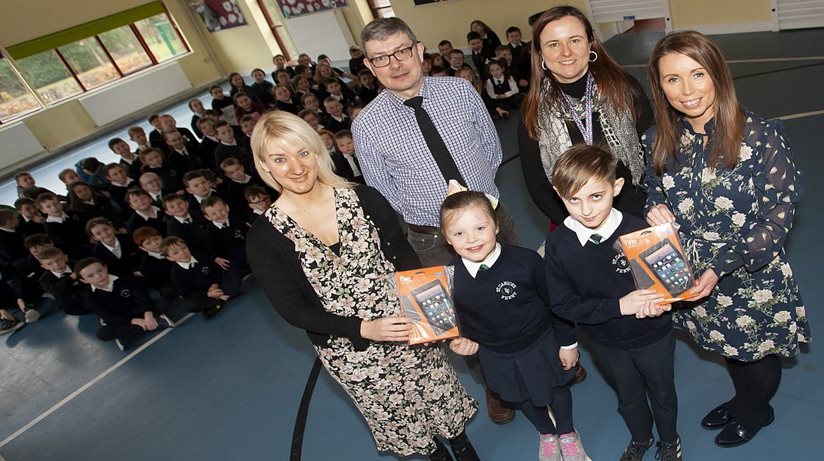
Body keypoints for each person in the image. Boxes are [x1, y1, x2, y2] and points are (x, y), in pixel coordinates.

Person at [246, 111, 478, 460]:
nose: (296, 168)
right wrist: (364, 328)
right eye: (280, 159)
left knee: (439, 394)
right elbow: (293, 309)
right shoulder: (265, 237)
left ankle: (461, 446)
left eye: (303, 153)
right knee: (404, 419)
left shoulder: (363, 198)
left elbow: (404, 258)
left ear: (318, 151)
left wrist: (441, 325)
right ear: (265, 165)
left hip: (407, 324)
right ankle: (436, 456)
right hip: (352, 352)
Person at [644, 30, 809, 448]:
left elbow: (780, 213)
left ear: (717, 73)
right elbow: (651, 186)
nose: (687, 90)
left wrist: (723, 265)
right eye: (672, 79)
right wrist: (652, 206)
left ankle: (758, 409)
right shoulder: (661, 138)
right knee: (728, 345)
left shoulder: (759, 136)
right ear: (659, 86)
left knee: (756, 349)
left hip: (750, 272)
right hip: (695, 271)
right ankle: (742, 399)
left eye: (697, 74)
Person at [353, 17, 521, 423]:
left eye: (401, 51)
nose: (394, 64)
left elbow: (491, 147)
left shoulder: (461, 91)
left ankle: (546, 356)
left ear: (418, 49)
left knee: (523, 294)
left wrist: (480, 204)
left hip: (494, 219)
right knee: (466, 319)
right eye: (380, 58)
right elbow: (382, 192)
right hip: (433, 240)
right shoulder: (367, 125)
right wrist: (434, 216)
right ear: (370, 67)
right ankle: (496, 386)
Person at [545, 145, 681, 461]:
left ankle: (669, 441)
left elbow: (670, 286)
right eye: (573, 199)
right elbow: (562, 305)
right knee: (628, 396)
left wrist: (662, 302)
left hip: (653, 335)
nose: (586, 209)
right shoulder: (558, 245)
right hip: (606, 341)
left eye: (596, 196)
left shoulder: (639, 230)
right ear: (558, 194)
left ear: (616, 187)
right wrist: (619, 306)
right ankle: (641, 438)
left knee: (663, 393)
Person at [442, 191, 587, 461]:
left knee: (557, 389)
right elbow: (457, 321)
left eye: (480, 228)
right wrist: (461, 340)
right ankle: (546, 432)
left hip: (541, 343)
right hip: (496, 355)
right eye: (459, 233)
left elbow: (555, 303)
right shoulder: (448, 279)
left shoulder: (526, 262)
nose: (471, 239)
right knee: (520, 397)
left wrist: (568, 343)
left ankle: (567, 433)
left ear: (496, 226)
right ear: (447, 238)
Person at [518, 5, 653, 226]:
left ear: (590, 43)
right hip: (576, 222)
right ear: (541, 53)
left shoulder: (625, 89)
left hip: (637, 213)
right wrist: (581, 226)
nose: (566, 52)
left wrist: (639, 214)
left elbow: (654, 154)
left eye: (575, 40)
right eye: (553, 44)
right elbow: (538, 186)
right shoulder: (533, 110)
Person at [75, 257, 173, 351]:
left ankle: (134, 331)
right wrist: (136, 321)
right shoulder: (90, 297)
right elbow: (109, 317)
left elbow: (142, 296)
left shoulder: (123, 278)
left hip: (138, 309)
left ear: (105, 268)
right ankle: (155, 322)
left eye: (100, 270)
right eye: (90, 276)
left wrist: (148, 314)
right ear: (84, 280)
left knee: (164, 303)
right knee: (103, 334)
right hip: (122, 319)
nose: (98, 276)